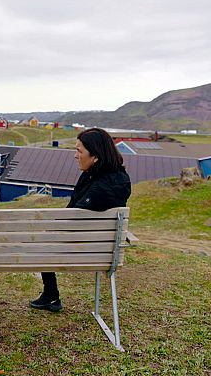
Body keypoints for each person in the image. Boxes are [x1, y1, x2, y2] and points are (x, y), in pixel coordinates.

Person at [30, 128, 131, 312]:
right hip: (106, 252)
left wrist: (51, 229)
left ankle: (51, 295)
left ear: (96, 157)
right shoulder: (120, 179)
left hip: (81, 249)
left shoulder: (98, 186)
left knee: (44, 241)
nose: (75, 155)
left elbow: (73, 217)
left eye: (79, 151)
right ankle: (50, 297)